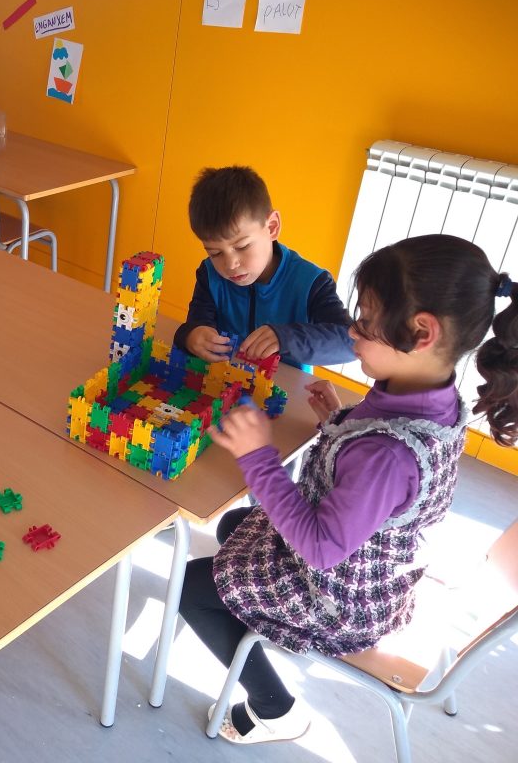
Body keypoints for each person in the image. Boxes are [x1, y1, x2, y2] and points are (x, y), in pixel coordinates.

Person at [178, 234, 518, 744]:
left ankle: (275, 708)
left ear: (421, 332)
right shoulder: (431, 393)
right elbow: (375, 475)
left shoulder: (388, 455)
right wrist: (337, 421)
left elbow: (320, 546)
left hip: (344, 601)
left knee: (191, 588)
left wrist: (258, 457)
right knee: (233, 523)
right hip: (372, 565)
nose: (351, 332)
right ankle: (264, 625)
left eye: (365, 320)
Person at [173, 166, 355, 369]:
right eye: (215, 253)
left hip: (286, 385)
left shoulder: (312, 283)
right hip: (223, 379)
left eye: (242, 246)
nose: (230, 264)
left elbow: (351, 343)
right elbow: (197, 322)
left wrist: (286, 338)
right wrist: (191, 336)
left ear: (272, 227)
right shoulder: (210, 274)